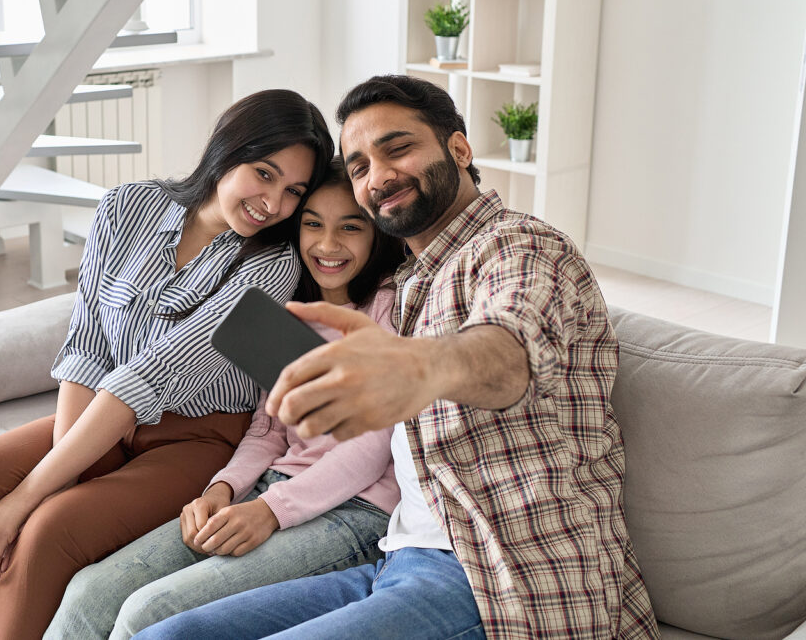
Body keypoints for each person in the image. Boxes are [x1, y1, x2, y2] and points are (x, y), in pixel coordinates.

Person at [134, 75, 660, 640]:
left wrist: (422, 368)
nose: (378, 176)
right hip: (397, 560)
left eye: (398, 148)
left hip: (499, 578)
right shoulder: (407, 285)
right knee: (163, 633)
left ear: (459, 149)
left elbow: (508, 349)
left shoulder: (522, 247)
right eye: (358, 166)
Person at [0, 89, 335, 640]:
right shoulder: (126, 206)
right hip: (99, 417)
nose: (274, 203)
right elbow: (87, 345)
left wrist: (31, 497)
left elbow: (149, 376)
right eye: (264, 173)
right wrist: (67, 466)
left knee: (48, 529)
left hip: (196, 440)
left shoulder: (273, 267)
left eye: (293, 191)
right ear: (228, 149)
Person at [44, 160, 406, 639]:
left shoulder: (392, 306)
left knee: (149, 612)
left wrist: (272, 510)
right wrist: (222, 490)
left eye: (350, 227)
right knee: (90, 592)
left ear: (377, 235)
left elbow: (372, 445)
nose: (327, 244)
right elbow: (268, 428)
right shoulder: (285, 304)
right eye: (313, 224)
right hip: (268, 489)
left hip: (355, 512)